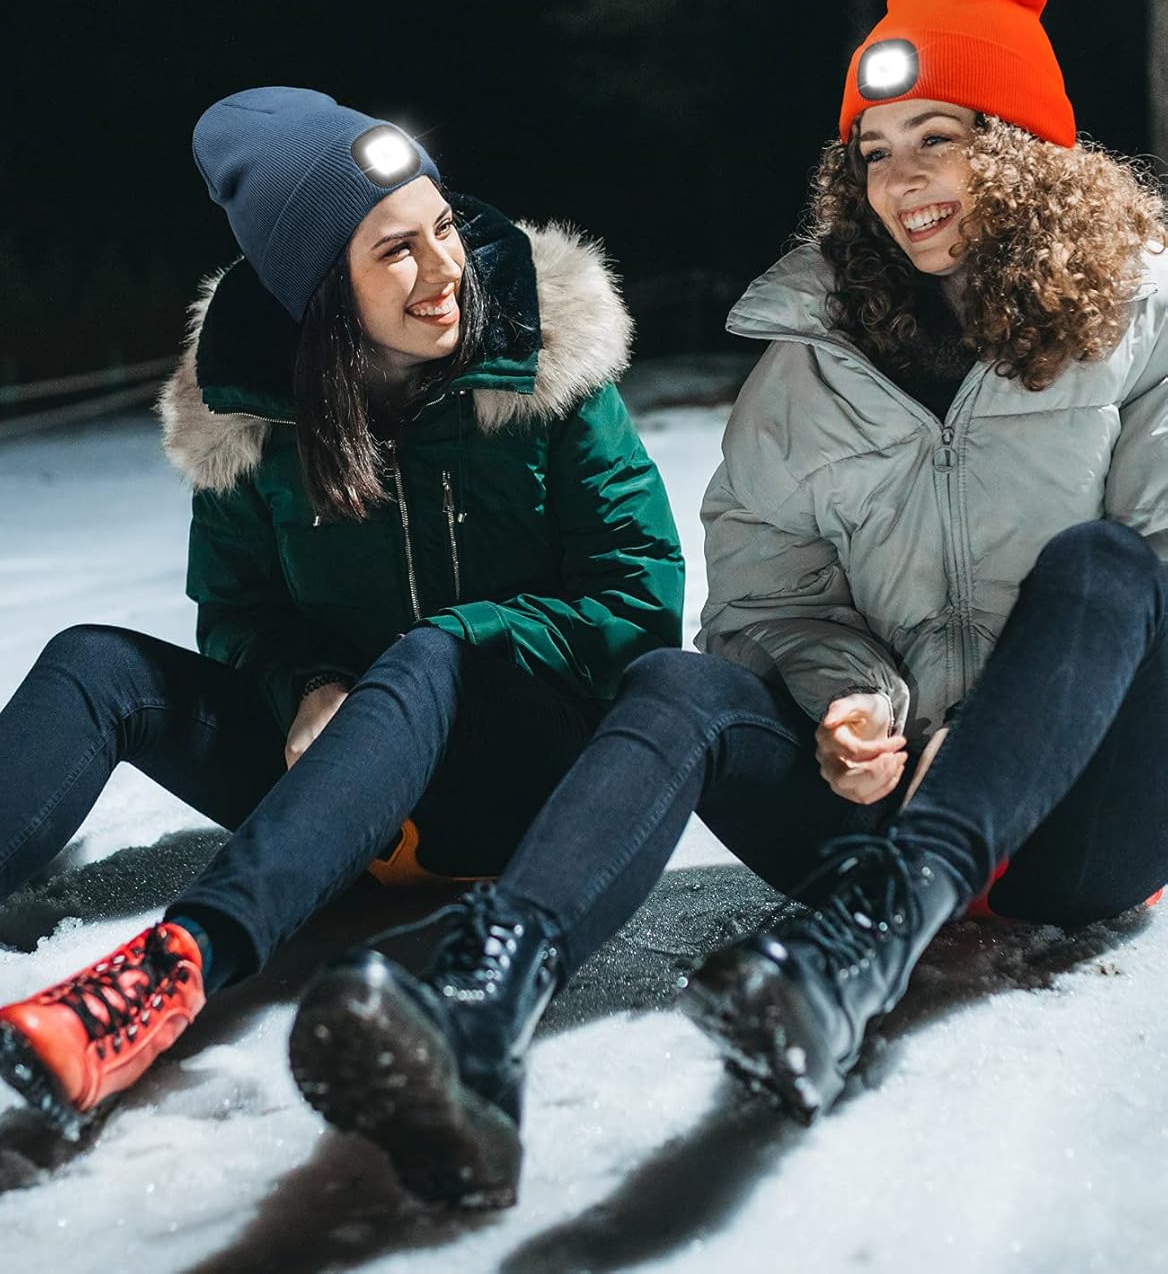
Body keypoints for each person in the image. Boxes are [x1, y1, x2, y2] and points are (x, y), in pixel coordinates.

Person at [284, 0, 1168, 1203]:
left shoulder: (1142, 318)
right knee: (680, 682)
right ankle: (486, 992)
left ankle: (875, 934)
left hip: (1086, 828)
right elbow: (764, 603)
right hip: (867, 816)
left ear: (1023, 149)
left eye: (940, 138)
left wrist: (969, 741)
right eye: (875, 152)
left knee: (1106, 562)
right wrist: (851, 699)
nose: (902, 182)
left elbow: (1147, 587)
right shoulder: (806, 367)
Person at [0, 87, 684, 1196]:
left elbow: (637, 597)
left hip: (512, 780)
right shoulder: (248, 409)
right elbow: (238, 612)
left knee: (434, 652)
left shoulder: (542, 366)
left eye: (443, 229)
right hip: (322, 790)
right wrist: (311, 685)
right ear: (318, 289)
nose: (444, 269)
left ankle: (174, 969)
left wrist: (454, 647)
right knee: (97, 663)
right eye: (395, 251)